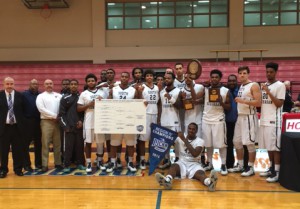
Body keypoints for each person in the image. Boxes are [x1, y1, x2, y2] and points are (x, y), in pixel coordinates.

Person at [155, 123, 218, 192]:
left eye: (193, 129)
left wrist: (184, 140)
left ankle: (209, 183)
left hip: (194, 164)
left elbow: (195, 154)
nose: (191, 130)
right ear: (187, 129)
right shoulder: (180, 138)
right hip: (182, 162)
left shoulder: (200, 141)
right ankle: (167, 180)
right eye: (189, 128)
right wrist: (170, 136)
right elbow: (168, 142)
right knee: (173, 166)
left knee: (200, 174)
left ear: (196, 131)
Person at [229, 66, 261, 177]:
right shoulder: (241, 86)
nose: (242, 75)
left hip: (249, 117)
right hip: (240, 117)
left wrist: (243, 101)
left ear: (248, 74)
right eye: (240, 73)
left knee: (250, 144)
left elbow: (258, 103)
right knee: (236, 142)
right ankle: (241, 165)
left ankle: (251, 167)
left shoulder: (254, 85)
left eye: (244, 73)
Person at [106, 72, 139, 172]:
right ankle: (113, 162)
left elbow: (137, 104)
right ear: (120, 78)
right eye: (122, 76)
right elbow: (109, 102)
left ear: (129, 79)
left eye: (126, 77)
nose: (124, 78)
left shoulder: (133, 90)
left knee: (130, 143)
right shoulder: (114, 89)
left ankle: (130, 162)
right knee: (114, 143)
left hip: (129, 119)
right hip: (117, 119)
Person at [259, 62, 285, 183]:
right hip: (264, 120)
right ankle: (271, 168)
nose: (268, 74)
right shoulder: (264, 85)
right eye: (267, 72)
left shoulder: (280, 85)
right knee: (269, 148)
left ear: (275, 72)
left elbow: (279, 104)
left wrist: (268, 92)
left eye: (271, 72)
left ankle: (277, 173)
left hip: (274, 122)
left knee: (275, 148)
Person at [201, 69, 231, 176]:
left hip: (218, 120)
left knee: (221, 144)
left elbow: (228, 107)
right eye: (212, 77)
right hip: (206, 119)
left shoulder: (225, 90)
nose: (214, 79)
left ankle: (223, 164)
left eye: (216, 77)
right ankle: (209, 163)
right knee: (208, 144)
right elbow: (197, 99)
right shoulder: (205, 89)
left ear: (220, 78)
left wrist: (221, 102)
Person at [77, 73, 108, 173]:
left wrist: (102, 102)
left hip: (100, 121)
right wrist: (89, 104)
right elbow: (78, 108)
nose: (91, 82)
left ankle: (99, 161)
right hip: (89, 122)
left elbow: (109, 105)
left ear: (95, 81)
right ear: (86, 82)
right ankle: (89, 162)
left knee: (100, 143)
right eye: (89, 81)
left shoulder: (103, 92)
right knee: (88, 143)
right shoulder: (83, 94)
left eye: (92, 81)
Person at [0, 77, 26, 178]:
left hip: (17, 127)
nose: (9, 86)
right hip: (4, 128)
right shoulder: (0, 95)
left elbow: (24, 111)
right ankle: (3, 170)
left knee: (17, 150)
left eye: (11, 84)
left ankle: (18, 169)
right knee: (3, 150)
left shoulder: (20, 96)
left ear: (14, 84)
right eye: (7, 84)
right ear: (3, 84)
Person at [36, 79, 62, 172]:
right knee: (45, 144)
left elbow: (61, 108)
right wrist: (54, 116)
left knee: (57, 144)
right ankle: (44, 164)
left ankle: (58, 163)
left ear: (53, 84)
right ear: (44, 85)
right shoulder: (40, 96)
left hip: (57, 122)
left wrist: (58, 117)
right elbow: (41, 109)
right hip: (46, 122)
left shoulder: (58, 95)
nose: (49, 85)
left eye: (50, 83)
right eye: (47, 84)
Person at [59, 79, 86, 172]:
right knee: (68, 147)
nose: (73, 86)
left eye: (75, 84)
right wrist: (65, 126)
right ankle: (66, 164)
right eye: (72, 84)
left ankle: (80, 163)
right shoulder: (65, 98)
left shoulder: (81, 97)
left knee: (80, 146)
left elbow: (84, 112)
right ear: (70, 86)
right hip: (68, 127)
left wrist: (81, 121)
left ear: (78, 85)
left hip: (79, 126)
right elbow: (61, 114)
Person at [158, 72, 182, 169]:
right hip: (164, 121)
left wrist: (171, 99)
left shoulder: (178, 91)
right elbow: (160, 107)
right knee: (164, 142)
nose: (166, 80)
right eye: (165, 78)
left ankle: (177, 159)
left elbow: (180, 106)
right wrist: (158, 119)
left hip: (174, 120)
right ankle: (167, 160)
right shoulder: (161, 92)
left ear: (173, 79)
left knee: (176, 142)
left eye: (169, 78)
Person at [225, 75, 249, 170]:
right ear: (227, 82)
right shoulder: (225, 91)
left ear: (236, 81)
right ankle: (229, 165)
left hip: (241, 121)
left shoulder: (241, 90)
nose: (231, 82)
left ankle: (245, 165)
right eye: (230, 81)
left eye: (233, 81)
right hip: (228, 122)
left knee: (244, 144)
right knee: (229, 144)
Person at [138, 69, 159, 169]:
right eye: (147, 76)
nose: (149, 77)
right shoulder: (142, 87)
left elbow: (159, 102)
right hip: (145, 115)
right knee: (143, 139)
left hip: (154, 114)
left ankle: (150, 158)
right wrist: (139, 93)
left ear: (153, 77)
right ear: (145, 77)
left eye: (151, 75)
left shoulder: (157, 88)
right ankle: (142, 159)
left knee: (152, 139)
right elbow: (137, 100)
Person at [22, 79, 42, 171]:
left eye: (36, 84)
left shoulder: (41, 95)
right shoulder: (24, 95)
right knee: (25, 144)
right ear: (29, 84)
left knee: (38, 144)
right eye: (33, 83)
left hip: (39, 122)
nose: (35, 85)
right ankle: (26, 165)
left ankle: (38, 164)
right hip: (27, 122)